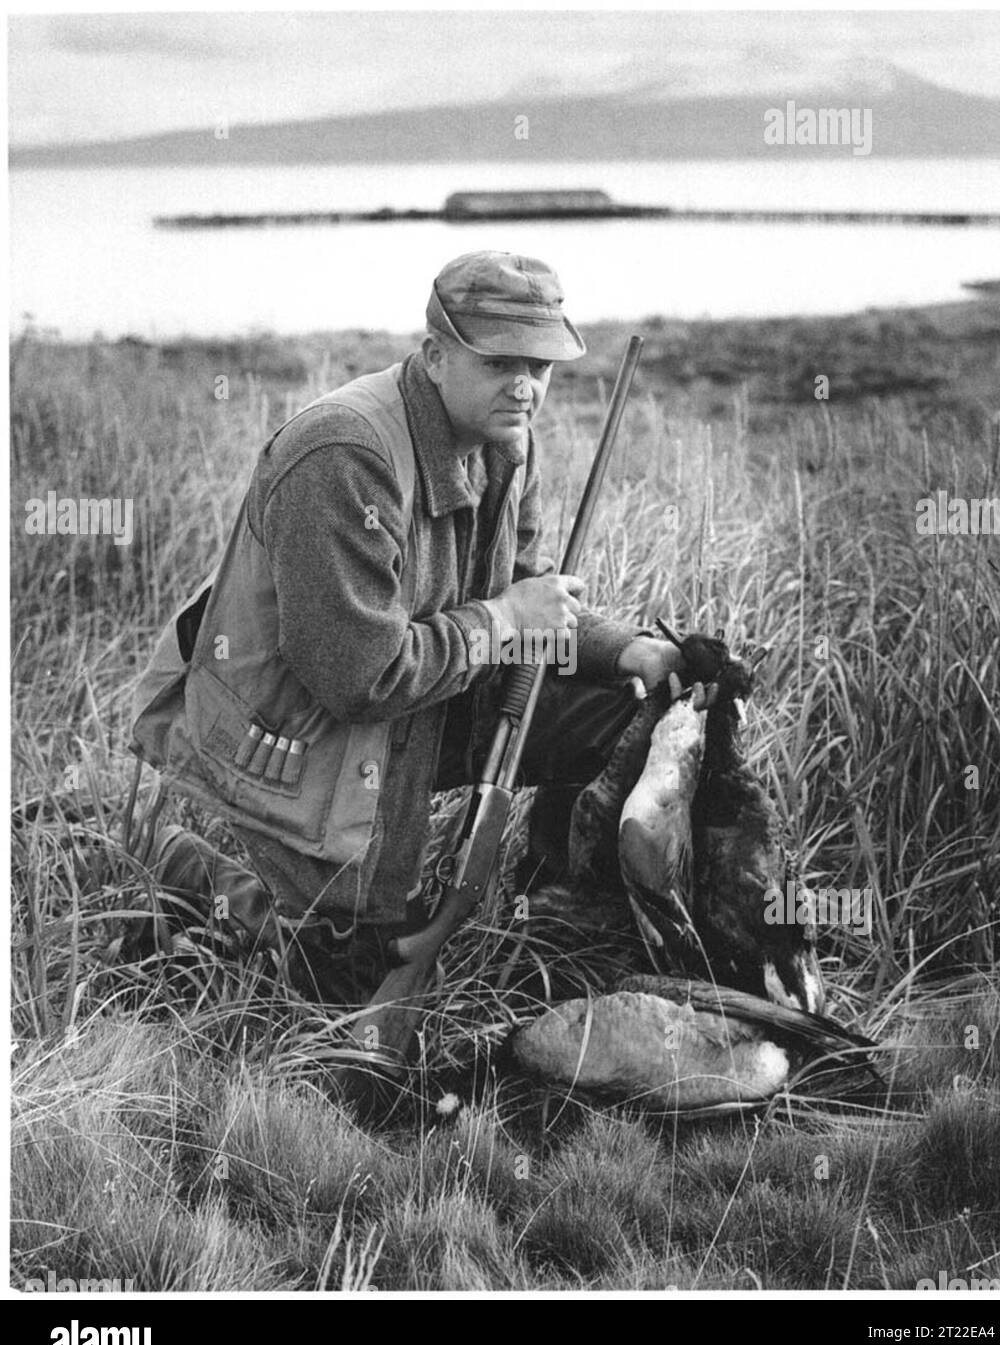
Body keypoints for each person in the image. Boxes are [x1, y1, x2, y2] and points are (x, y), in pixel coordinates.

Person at [131, 251, 683, 1003]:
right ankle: (178, 862)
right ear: (434, 355)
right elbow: (361, 678)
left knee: (626, 713)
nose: (524, 386)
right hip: (301, 734)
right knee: (346, 979)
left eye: (540, 365)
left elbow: (530, 597)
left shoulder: (507, 440)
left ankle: (556, 917)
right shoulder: (344, 456)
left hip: (420, 695)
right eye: (498, 362)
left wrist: (628, 650)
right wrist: (500, 621)